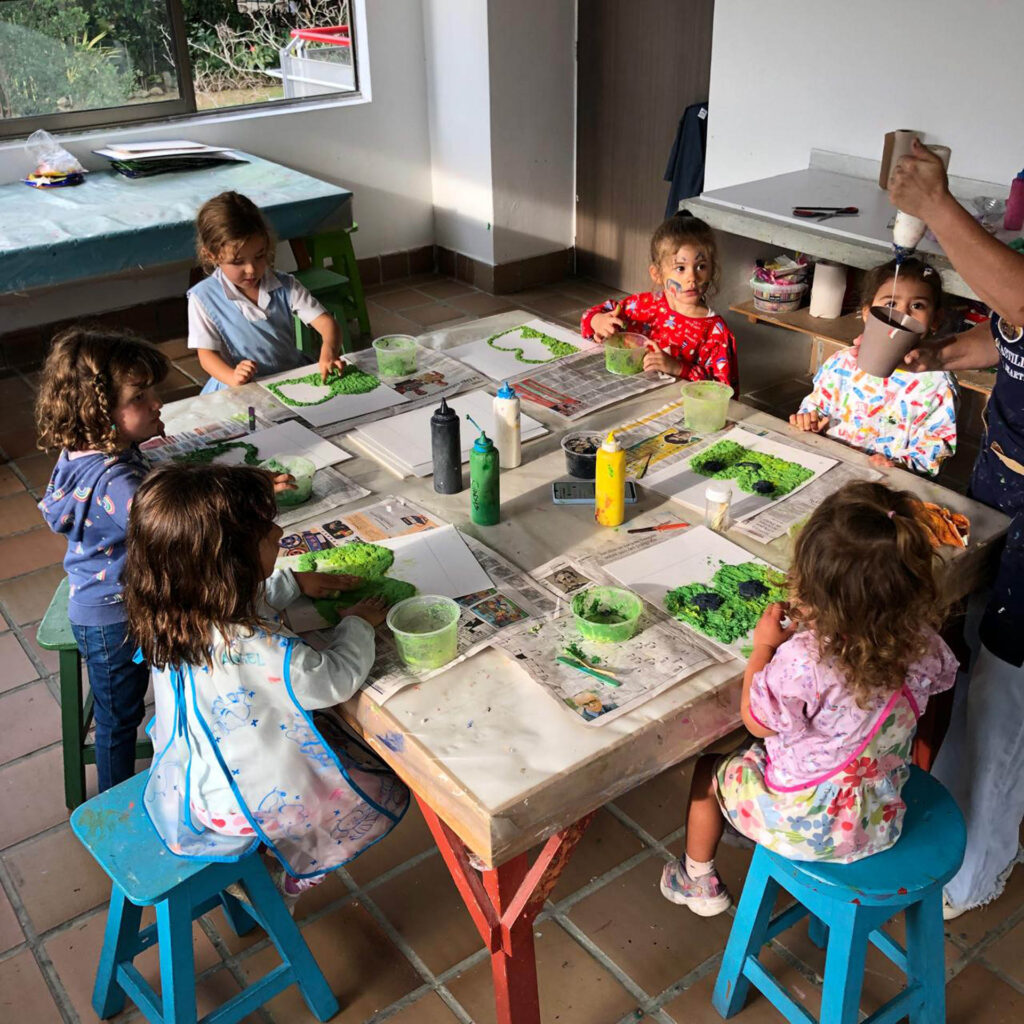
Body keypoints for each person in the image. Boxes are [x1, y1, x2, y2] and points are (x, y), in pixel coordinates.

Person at [660, 482, 957, 916]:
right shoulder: (924, 645)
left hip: (805, 825)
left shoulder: (806, 659)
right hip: (877, 818)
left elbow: (757, 723)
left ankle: (697, 879)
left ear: (811, 580)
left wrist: (764, 648)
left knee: (710, 768)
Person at [122, 464, 408, 901]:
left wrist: (290, 582)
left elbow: (240, 598)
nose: (278, 532)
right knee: (377, 776)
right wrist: (357, 626)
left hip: (193, 779)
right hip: (247, 806)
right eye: (263, 530)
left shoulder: (171, 609)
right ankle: (293, 877)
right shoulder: (261, 647)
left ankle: (261, 856)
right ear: (230, 563)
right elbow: (334, 681)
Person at [890, 138, 1024, 917]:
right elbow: (1013, 339)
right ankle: (955, 815)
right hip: (1003, 481)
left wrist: (936, 207)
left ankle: (977, 871)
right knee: (973, 656)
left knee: (1007, 687)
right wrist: (944, 353)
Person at [35, 327, 170, 792]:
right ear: (100, 412)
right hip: (115, 616)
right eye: (141, 396)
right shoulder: (117, 483)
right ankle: (116, 798)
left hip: (98, 592)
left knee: (120, 707)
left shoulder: (88, 446)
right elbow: (169, 535)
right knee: (119, 718)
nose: (157, 403)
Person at [790, 257, 957, 475]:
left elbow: (936, 446)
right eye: (890, 304)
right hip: (829, 467)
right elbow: (817, 406)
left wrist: (899, 467)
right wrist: (807, 420)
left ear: (936, 319)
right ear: (868, 313)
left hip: (889, 486)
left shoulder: (937, 382)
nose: (902, 314)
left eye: (917, 306)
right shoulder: (843, 363)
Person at [189, 191, 345, 393]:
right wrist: (232, 376)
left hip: (288, 376)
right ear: (211, 256)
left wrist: (329, 350)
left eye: (259, 256)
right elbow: (207, 356)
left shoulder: (285, 285)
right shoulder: (203, 297)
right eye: (238, 262)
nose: (251, 269)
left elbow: (326, 323)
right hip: (239, 387)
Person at [580, 212, 739, 390]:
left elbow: (723, 392)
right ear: (657, 274)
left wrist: (678, 368)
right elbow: (589, 318)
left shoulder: (715, 333)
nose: (692, 278)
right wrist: (598, 321)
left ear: (712, 270)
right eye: (680, 268)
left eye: (701, 266)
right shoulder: (643, 306)